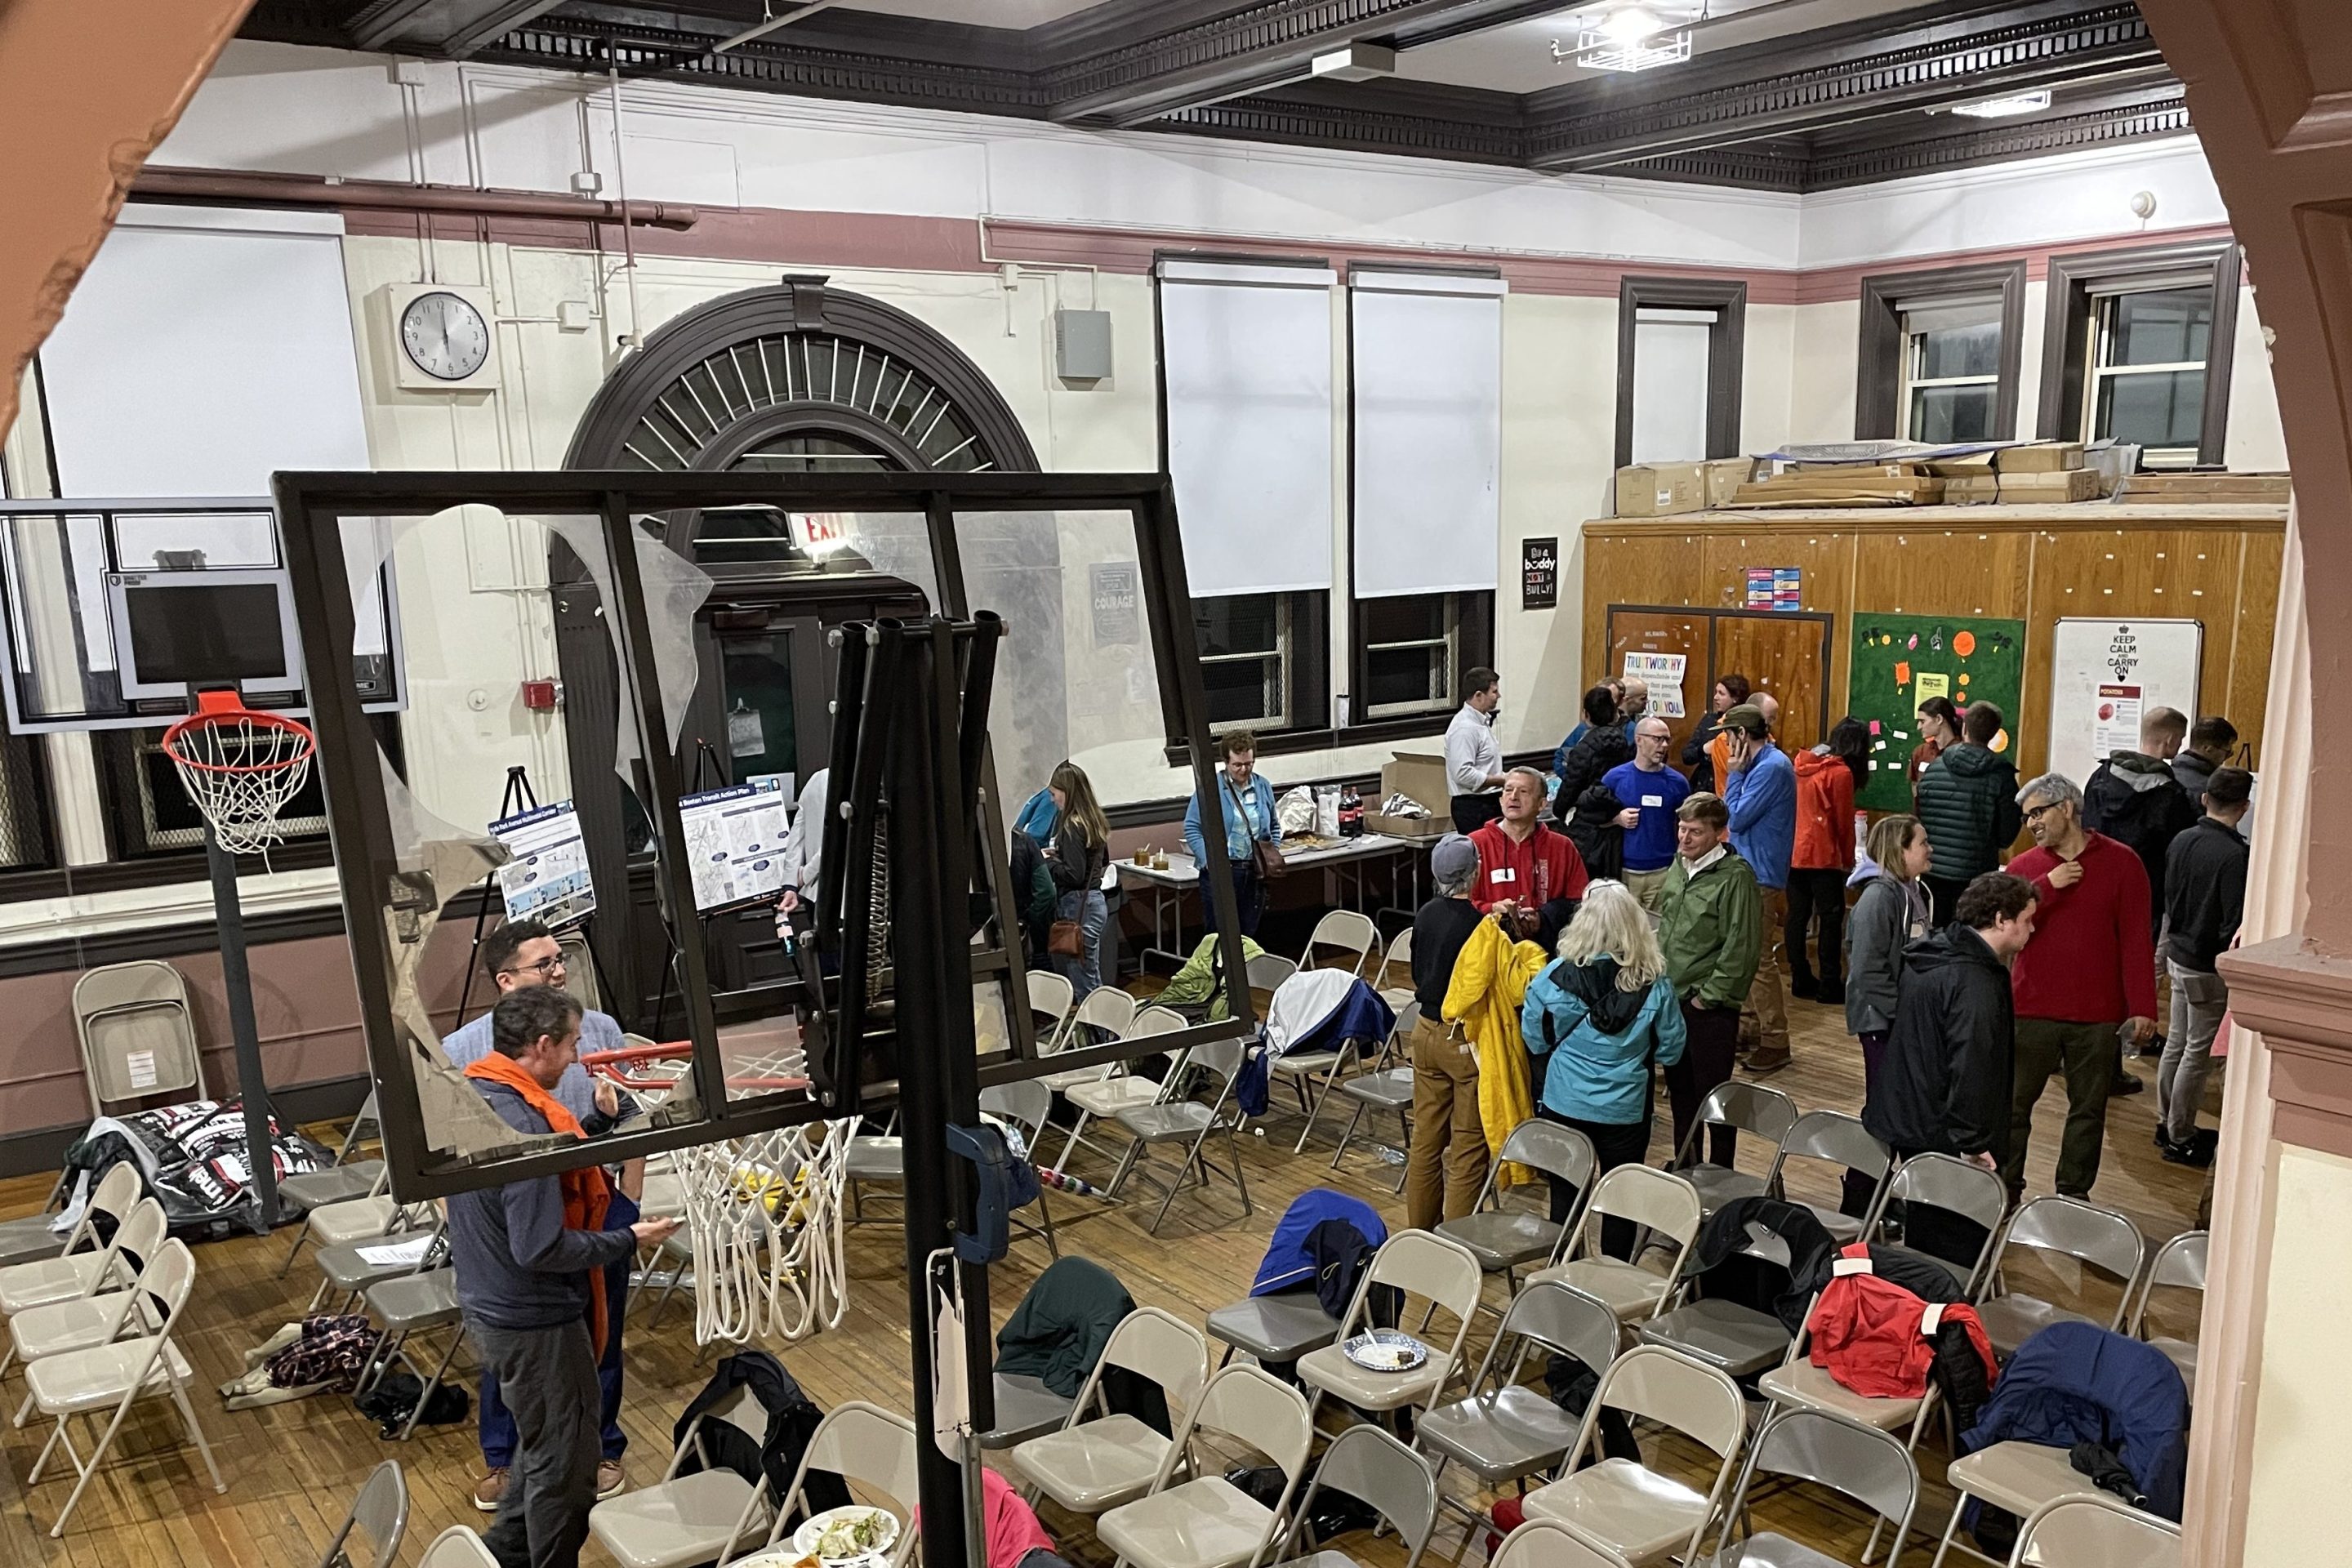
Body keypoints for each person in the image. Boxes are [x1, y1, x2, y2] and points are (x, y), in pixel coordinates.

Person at [450, 987, 680, 1568]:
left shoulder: (480, 1095)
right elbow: (541, 1245)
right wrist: (630, 1239)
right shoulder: (528, 1131)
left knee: (544, 1450)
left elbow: (542, 1187)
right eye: (574, 1045)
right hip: (534, 1321)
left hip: (489, 1305)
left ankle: (502, 1556)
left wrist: (595, 1127)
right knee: (568, 1474)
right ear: (543, 1045)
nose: (580, 1059)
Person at [443, 921, 642, 1512]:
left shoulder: (599, 1027)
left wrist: (627, 1196)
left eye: (561, 960)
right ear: (505, 981)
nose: (560, 971)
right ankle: (505, 1461)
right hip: (517, 1228)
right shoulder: (460, 1054)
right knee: (519, 1346)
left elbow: (627, 1118)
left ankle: (603, 1447)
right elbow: (445, 1155)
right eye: (544, 964)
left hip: (595, 1207)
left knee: (602, 1339)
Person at [1860, 872, 2039, 1258]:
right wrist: (1973, 1143)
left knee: (1924, 1229)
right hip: (1943, 1132)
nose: (2032, 928)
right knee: (1950, 1249)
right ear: (1999, 920)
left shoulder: (1934, 954)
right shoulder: (1975, 980)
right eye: (2026, 919)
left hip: (1912, 1116)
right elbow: (1972, 1066)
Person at [2002, 772, 2156, 1200]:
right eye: (2025, 817)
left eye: (2038, 813)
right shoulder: (2025, 869)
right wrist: (2044, 889)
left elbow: (2136, 939)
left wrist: (2143, 1005)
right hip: (2031, 1008)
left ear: (2067, 808)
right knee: (2014, 1106)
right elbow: (2000, 925)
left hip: (2097, 1013)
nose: (2031, 824)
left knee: (2088, 1110)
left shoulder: (2123, 862)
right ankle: (2005, 1189)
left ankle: (2073, 1195)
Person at [1521, 881, 1687, 1241]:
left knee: (1564, 1198)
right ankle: (1615, 1281)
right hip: (1624, 1109)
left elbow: (1535, 1037)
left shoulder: (1553, 975)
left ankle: (1561, 1276)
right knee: (1622, 1201)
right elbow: (1670, 1050)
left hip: (1563, 1100)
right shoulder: (1655, 985)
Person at [1658, 793, 1762, 1167]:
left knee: (1715, 1098)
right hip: (1672, 999)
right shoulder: (1678, 865)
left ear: (1720, 833)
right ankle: (1685, 1166)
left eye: (1695, 832)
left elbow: (1742, 946)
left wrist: (1710, 998)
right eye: (1682, 829)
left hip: (1708, 1007)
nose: (1684, 839)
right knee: (1682, 1093)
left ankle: (1720, 1171)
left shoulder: (1736, 878)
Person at [2158, 766, 2252, 1165]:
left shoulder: (2182, 839)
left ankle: (2166, 1123)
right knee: (2196, 1053)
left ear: (2204, 799)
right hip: (2206, 966)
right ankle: (2180, 1135)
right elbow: (2234, 921)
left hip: (2178, 953)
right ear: (2245, 807)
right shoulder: (2235, 855)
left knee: (2176, 1044)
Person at [1405, 834, 1490, 1229]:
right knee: (1469, 1147)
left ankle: (1420, 1233)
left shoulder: (1424, 914)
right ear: (1475, 872)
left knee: (1426, 1140)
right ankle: (1456, 1244)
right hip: (1461, 1038)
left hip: (1423, 1030)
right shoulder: (1479, 926)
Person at [1722, 697, 1795, 1073]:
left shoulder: (1771, 767)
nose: (1724, 746)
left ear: (1740, 735)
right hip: (1750, 872)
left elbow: (1734, 817)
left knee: (1760, 960)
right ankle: (1749, 1030)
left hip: (1761, 876)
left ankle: (1775, 1040)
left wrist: (1733, 774)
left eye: (1727, 737)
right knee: (1746, 958)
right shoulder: (1762, 764)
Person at [2083, 706, 2198, 933]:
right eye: (2181, 739)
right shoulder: (2171, 795)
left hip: (2097, 882)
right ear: (2169, 740)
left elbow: (2085, 826)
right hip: (2144, 890)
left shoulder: (2100, 777)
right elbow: (2176, 850)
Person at [1845, 813, 1934, 1101]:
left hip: (1903, 1016)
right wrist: (1902, 1012)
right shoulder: (1879, 899)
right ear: (1900, 849)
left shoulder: (1912, 890)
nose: (1930, 849)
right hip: (1883, 1022)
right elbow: (1866, 970)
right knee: (1887, 1103)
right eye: (1923, 843)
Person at [1913, 701, 2022, 928]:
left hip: (1933, 873)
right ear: (1993, 735)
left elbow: (1921, 817)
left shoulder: (1935, 767)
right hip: (1976, 876)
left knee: (1935, 940)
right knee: (1970, 939)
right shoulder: (2001, 776)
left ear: (1964, 729)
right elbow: (2006, 836)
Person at [1788, 717, 1867, 1004]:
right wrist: (1847, 860)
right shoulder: (1841, 773)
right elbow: (1844, 824)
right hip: (1823, 854)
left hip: (1795, 850)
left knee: (1797, 916)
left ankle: (1799, 977)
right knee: (1831, 920)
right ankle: (1830, 983)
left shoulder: (1801, 764)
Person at [1468, 767, 1590, 951]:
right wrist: (1492, 909)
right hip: (1487, 950)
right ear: (1501, 799)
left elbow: (1580, 903)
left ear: (1541, 804)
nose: (1514, 797)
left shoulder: (1562, 847)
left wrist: (1544, 918)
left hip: (1546, 950)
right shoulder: (1474, 844)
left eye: (1523, 791)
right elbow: (1457, 904)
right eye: (1508, 790)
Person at [1182, 728, 1279, 938]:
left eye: (1249, 764)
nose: (1244, 770)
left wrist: (1272, 853)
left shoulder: (1262, 786)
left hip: (1254, 871)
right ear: (1226, 762)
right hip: (1222, 871)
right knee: (1218, 935)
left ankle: (1246, 970)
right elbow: (1191, 826)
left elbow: (1273, 826)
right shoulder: (1211, 787)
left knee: (1249, 934)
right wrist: (1210, 861)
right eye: (1237, 765)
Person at [1604, 715, 1690, 912]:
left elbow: (1688, 823)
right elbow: (1592, 819)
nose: (1664, 745)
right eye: (1657, 739)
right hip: (1624, 871)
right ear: (1639, 740)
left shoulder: (1678, 783)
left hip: (1663, 871)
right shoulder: (1614, 778)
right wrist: (1616, 819)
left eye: (1667, 740)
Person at [1043, 761, 1111, 999]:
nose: (1053, 800)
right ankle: (1103, 1033)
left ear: (1068, 792)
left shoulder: (1072, 826)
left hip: (1078, 907)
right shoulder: (1093, 821)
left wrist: (1049, 862)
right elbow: (1101, 861)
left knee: (1084, 982)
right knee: (1090, 974)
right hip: (1094, 902)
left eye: (1054, 794)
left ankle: (1102, 1035)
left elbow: (1074, 875)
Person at [1445, 667, 1507, 832]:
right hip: (1473, 807)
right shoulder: (1465, 728)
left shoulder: (1481, 723)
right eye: (1494, 692)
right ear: (1479, 695)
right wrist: (1501, 780)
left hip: (1487, 802)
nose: (1498, 696)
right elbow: (1462, 774)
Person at [1554, 684, 1633, 809]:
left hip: (1589, 811)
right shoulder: (1628, 741)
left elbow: (1571, 787)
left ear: (1586, 714)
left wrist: (1559, 810)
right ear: (1614, 712)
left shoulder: (1584, 748)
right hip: (1620, 808)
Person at [773, 767, 830, 920]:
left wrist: (790, 885)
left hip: (814, 894)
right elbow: (835, 842)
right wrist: (804, 875)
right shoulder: (857, 786)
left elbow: (796, 837)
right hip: (844, 896)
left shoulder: (817, 779)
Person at [1682, 673, 1751, 795]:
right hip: (1703, 786)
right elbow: (1687, 756)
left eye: (1721, 694)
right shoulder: (1709, 720)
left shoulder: (1747, 724)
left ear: (1736, 698)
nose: (1715, 697)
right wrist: (1704, 749)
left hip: (1731, 785)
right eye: (1716, 692)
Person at [2172, 715, 2238, 810]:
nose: (2228, 757)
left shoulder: (2168, 773)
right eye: (2228, 752)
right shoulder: (2210, 788)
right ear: (2208, 749)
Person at [1909, 696, 1960, 792]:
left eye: (1922, 721)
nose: (1919, 727)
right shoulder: (1920, 752)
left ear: (1939, 719)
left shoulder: (1964, 753)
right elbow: (1915, 785)